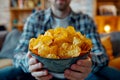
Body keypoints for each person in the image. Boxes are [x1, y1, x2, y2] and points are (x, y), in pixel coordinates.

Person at [0, 0, 120, 80]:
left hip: (80, 75)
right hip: (41, 74)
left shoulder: (85, 20)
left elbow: (102, 56)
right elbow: (17, 54)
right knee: (5, 73)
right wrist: (29, 63)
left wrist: (89, 63)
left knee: (112, 74)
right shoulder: (35, 19)